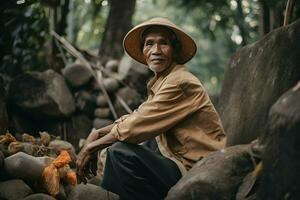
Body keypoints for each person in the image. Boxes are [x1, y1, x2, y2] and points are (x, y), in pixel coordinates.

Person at [76, 17, 226, 200]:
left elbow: (134, 126)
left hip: (198, 170)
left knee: (119, 153)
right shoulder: (162, 81)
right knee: (139, 143)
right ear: (143, 50)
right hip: (178, 162)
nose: (156, 50)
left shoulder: (180, 81)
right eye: (149, 44)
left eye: (164, 43)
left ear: (174, 50)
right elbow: (138, 116)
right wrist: (98, 134)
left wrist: (91, 147)